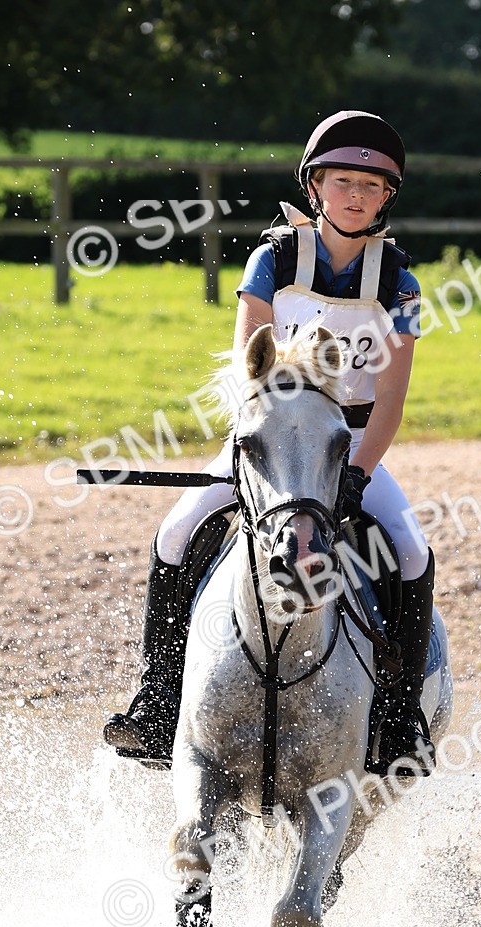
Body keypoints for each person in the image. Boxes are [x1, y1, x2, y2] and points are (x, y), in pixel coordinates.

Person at [103, 110, 436, 775]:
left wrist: (357, 476)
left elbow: (391, 403)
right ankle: (159, 699)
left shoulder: (398, 280)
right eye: (341, 182)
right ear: (314, 188)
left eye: (370, 187)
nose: (354, 196)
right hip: (266, 443)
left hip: (349, 446)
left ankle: (398, 717)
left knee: (411, 552)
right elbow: (245, 368)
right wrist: (261, 457)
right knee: (176, 534)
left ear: (386, 198)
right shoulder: (273, 259)